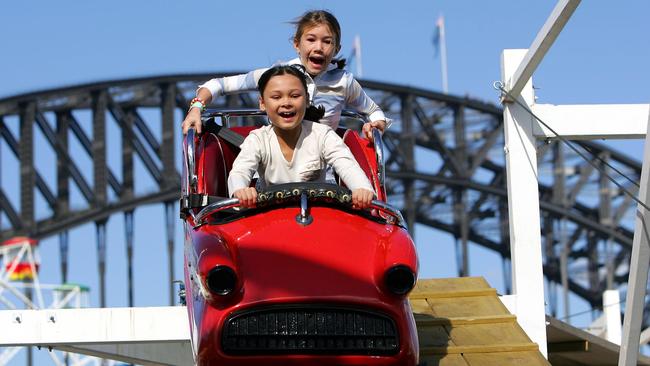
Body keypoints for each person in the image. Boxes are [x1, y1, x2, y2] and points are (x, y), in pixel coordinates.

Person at [181, 10, 389, 140]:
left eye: (327, 42)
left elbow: (373, 111)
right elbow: (218, 85)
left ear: (336, 49)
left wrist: (376, 124)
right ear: (297, 44)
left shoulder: (344, 81)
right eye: (311, 39)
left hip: (324, 174)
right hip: (275, 169)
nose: (319, 47)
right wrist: (196, 108)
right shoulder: (276, 76)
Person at [227, 65, 375, 210]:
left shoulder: (322, 134)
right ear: (262, 103)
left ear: (307, 99)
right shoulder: (258, 139)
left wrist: (361, 189)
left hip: (317, 215)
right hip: (272, 218)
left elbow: (347, 166)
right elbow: (240, 171)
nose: (286, 103)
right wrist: (240, 190)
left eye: (295, 96)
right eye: (276, 97)